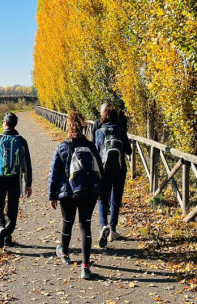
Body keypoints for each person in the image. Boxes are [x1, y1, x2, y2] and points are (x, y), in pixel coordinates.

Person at [48, 111, 103, 279]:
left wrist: (52, 195)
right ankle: (85, 266)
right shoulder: (91, 147)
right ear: (83, 127)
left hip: (67, 193)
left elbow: (54, 174)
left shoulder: (62, 147)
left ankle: (64, 252)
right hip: (88, 193)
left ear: (68, 126)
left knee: (68, 222)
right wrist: (99, 191)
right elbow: (100, 170)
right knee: (85, 226)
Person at [0, 112, 33, 248]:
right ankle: (7, 235)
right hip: (15, 178)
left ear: (5, 123)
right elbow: (26, 164)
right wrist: (28, 184)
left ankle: (0, 228)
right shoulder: (21, 141)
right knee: (12, 207)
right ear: (14, 124)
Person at [94, 106, 132, 248]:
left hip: (104, 170)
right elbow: (129, 151)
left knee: (103, 199)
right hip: (119, 169)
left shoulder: (99, 132)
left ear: (103, 117)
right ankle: (113, 230)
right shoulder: (121, 131)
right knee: (115, 199)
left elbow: (96, 151)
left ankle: (104, 225)